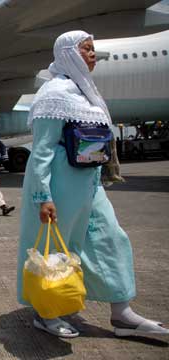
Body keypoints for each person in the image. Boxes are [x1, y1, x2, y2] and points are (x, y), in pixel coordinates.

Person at [16, 30, 168, 338]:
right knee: (57, 251)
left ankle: (122, 313)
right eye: (86, 49)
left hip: (90, 186)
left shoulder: (87, 93)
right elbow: (43, 149)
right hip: (60, 189)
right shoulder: (54, 94)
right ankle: (47, 312)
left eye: (92, 49)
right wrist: (42, 196)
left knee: (111, 239)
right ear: (68, 53)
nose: (92, 55)